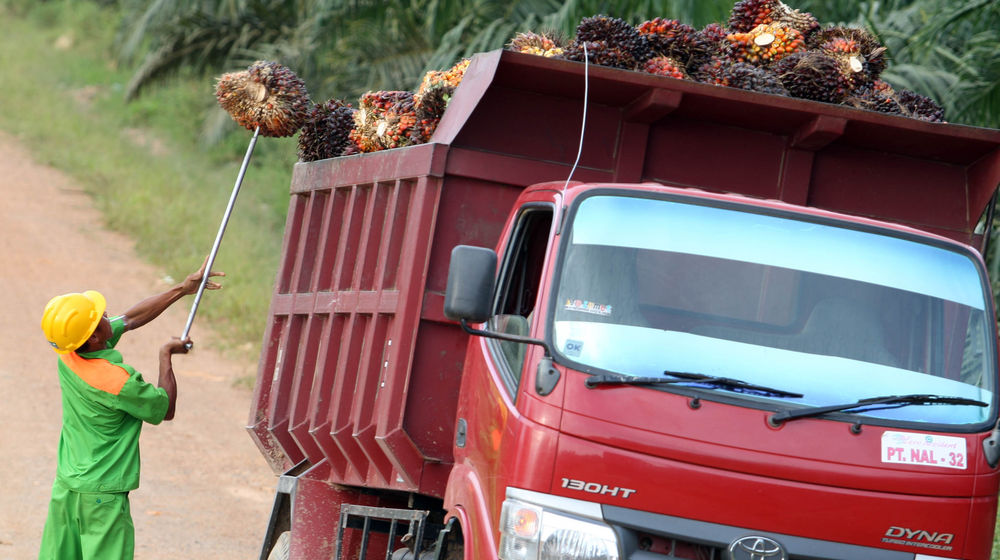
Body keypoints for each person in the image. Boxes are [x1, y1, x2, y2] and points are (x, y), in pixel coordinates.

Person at [37, 259, 224, 560]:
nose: (107, 315)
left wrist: (182, 289)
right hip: (102, 498)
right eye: (100, 317)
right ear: (96, 338)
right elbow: (165, 409)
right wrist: (166, 357)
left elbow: (132, 318)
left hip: (67, 489)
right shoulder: (119, 382)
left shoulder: (68, 354)